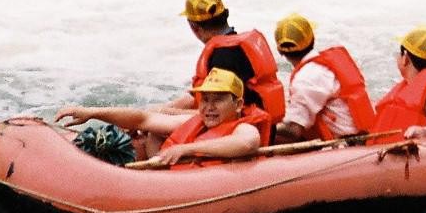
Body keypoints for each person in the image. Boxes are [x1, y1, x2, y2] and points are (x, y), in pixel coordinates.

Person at [57, 68, 271, 168]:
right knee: (152, 133)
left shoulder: (244, 127)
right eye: (205, 100)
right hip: (172, 181)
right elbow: (143, 120)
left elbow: (246, 143)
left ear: (238, 105)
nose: (209, 107)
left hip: (204, 188)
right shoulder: (197, 121)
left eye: (218, 100)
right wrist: (91, 112)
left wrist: (185, 149)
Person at [165, 0, 284, 117]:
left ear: (194, 27)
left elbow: (219, 114)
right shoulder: (238, 47)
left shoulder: (221, 56)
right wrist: (166, 109)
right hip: (263, 124)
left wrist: (165, 113)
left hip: (242, 128)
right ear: (225, 14)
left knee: (155, 125)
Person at [271, 13, 378, 144]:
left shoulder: (306, 79)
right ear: (312, 39)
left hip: (347, 144)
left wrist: (263, 133)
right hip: (362, 135)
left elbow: (293, 131)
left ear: (280, 51)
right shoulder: (323, 66)